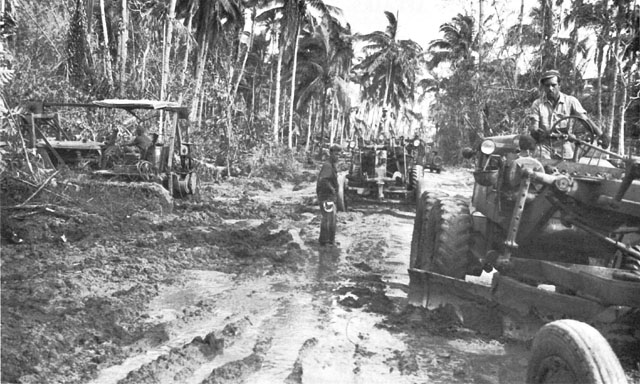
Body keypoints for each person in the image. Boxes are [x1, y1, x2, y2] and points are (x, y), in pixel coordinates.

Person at [528, 69, 609, 159]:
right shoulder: (537, 104)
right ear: (544, 87)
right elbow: (534, 126)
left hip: (563, 144)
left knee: (569, 168)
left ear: (559, 85)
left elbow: (585, 120)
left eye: (553, 85)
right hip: (544, 146)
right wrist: (537, 132)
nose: (550, 88)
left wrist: (601, 134)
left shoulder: (570, 101)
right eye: (547, 86)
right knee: (540, 165)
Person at [316, 145, 341, 246]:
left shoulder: (332, 164)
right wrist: (332, 190)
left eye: (339, 154)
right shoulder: (327, 165)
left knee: (331, 217)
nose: (338, 156)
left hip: (329, 196)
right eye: (336, 154)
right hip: (326, 195)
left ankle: (330, 240)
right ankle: (325, 241)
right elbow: (324, 180)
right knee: (328, 218)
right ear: (331, 154)